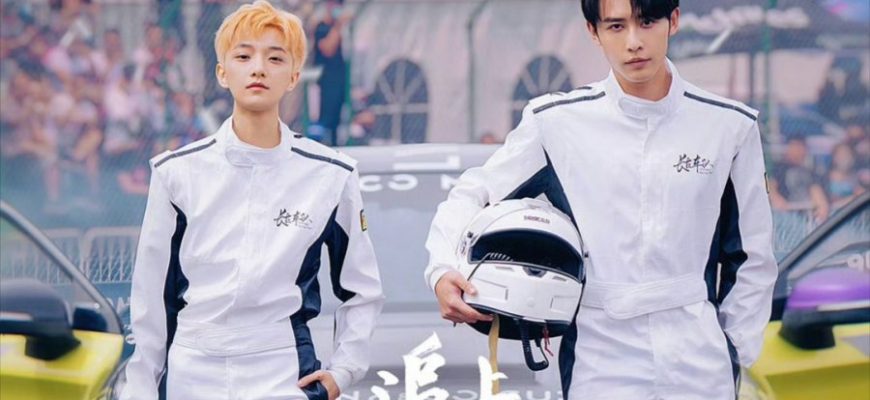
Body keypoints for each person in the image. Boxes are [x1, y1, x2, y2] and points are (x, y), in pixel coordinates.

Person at [424, 0, 777, 398]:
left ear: (673, 20)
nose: (634, 42)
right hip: (598, 356)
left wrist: (734, 349)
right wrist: (441, 269)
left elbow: (753, 256)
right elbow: (473, 193)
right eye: (616, 26)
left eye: (647, 22)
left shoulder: (729, 126)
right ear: (593, 31)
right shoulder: (556, 122)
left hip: (699, 356)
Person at [121, 2, 384, 399]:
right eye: (243, 56)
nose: (258, 68)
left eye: (275, 58)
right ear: (222, 72)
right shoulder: (176, 172)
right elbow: (150, 300)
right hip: (191, 372)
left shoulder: (331, 175)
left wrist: (344, 370)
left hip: (283, 374)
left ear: (294, 76)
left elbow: (362, 289)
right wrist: (140, 390)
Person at [313, 0, 350, 145]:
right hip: (326, 81)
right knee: (325, 118)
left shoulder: (342, 30)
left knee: (337, 120)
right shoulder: (322, 28)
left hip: (340, 79)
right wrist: (338, 25)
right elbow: (328, 49)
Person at [768, 136, 830, 223]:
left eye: (800, 147)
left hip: (805, 218)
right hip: (784, 217)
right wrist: (776, 199)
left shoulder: (810, 172)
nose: (797, 151)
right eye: (794, 147)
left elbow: (815, 190)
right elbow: (770, 186)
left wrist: (822, 204)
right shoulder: (779, 168)